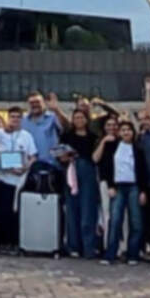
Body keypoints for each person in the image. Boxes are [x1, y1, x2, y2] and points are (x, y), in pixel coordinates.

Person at [96, 119, 148, 265]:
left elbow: (143, 171)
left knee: (136, 221)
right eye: (123, 130)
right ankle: (110, 254)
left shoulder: (138, 149)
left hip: (134, 187)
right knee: (115, 220)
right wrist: (110, 186)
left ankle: (133, 254)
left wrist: (143, 191)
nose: (126, 132)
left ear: (133, 132)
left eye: (129, 130)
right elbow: (107, 167)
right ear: (119, 132)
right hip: (118, 186)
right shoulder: (112, 147)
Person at [0, 108, 35, 254]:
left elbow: (33, 156)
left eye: (18, 117)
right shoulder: (1, 133)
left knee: (16, 213)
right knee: (2, 213)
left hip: (19, 181)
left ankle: (15, 242)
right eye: (12, 116)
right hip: (3, 179)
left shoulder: (26, 136)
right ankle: (2, 243)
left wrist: (26, 167)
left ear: (22, 119)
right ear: (8, 118)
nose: (15, 119)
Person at [60, 106, 101, 259]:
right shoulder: (66, 136)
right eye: (76, 117)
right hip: (71, 172)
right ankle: (73, 246)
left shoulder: (93, 137)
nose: (79, 120)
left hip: (88, 172)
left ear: (86, 119)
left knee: (88, 210)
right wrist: (64, 158)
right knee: (72, 210)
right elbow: (60, 154)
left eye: (81, 117)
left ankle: (89, 246)